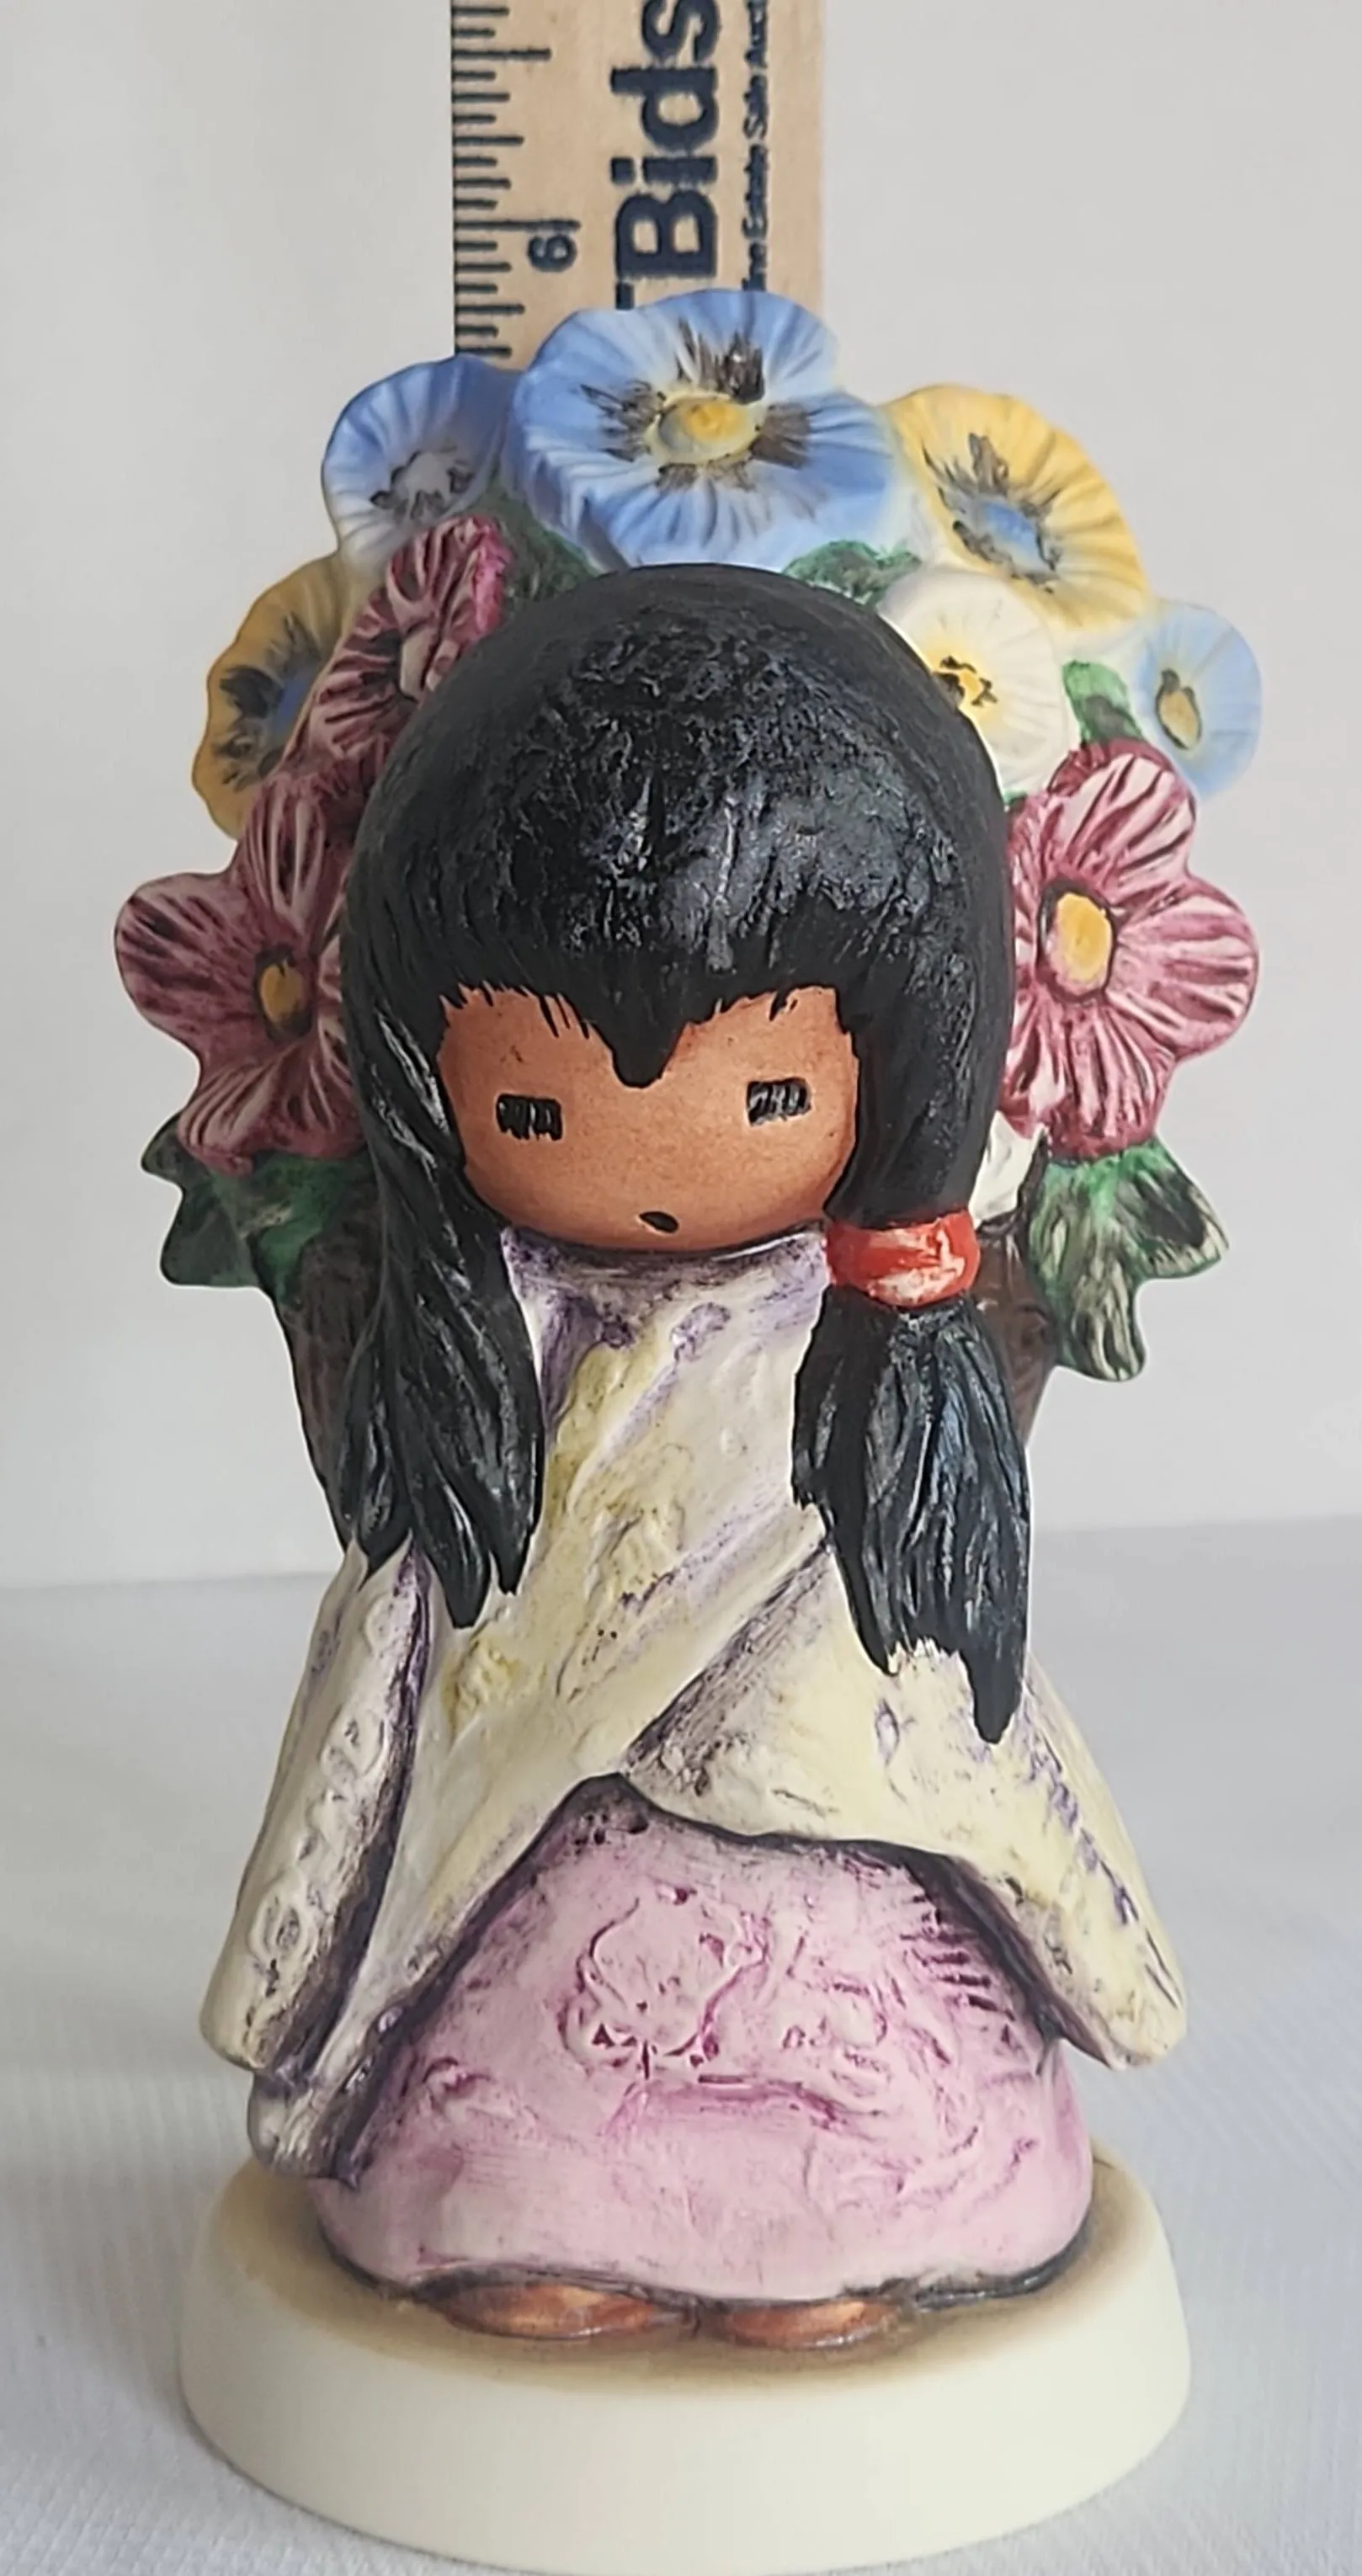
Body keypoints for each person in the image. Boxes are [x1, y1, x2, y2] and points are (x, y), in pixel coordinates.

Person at [203, 565, 1184, 2346]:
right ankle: (526, 2230)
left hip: (841, 1868)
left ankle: (844, 2245)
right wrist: (305, 1954)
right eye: (535, 1108)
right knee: (513, 2124)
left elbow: (971, 1713)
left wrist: (1072, 1922)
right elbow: (385, 1677)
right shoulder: (497, 1367)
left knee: (871, 2099)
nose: (652, 1167)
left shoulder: (865, 1360)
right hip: (530, 1878)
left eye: (763, 1098)